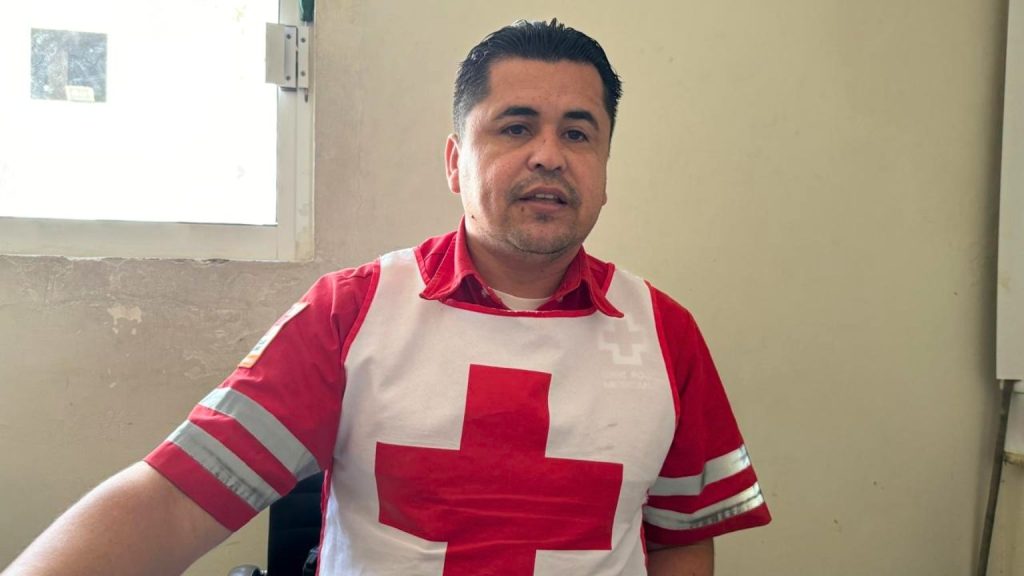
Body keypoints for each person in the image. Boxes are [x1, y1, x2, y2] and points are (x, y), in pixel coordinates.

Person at [3, 19, 770, 576]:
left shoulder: (665, 333)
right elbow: (176, 500)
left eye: (578, 134)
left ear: (604, 166)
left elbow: (681, 540)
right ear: (455, 161)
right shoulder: (350, 313)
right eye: (515, 128)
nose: (548, 155)